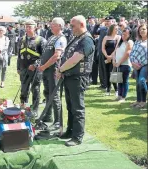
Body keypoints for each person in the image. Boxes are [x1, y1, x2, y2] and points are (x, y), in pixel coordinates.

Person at [56, 15, 95, 146]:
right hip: (70, 76)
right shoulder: (77, 39)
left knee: (77, 108)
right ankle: (70, 131)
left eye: (73, 26)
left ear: (82, 24)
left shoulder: (87, 40)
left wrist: (60, 69)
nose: (70, 28)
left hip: (78, 78)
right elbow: (68, 56)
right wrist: (63, 70)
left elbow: (75, 59)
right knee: (70, 106)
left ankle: (77, 137)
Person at [38, 17, 67, 130]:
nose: (51, 26)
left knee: (54, 95)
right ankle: (48, 116)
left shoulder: (61, 38)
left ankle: (57, 121)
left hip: (53, 70)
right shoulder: (51, 37)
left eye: (53, 25)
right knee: (47, 93)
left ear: (59, 26)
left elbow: (56, 56)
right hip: (46, 70)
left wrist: (44, 66)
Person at [17, 19, 46, 117]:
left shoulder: (41, 40)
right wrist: (18, 67)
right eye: (26, 27)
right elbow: (19, 54)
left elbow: (44, 56)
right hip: (24, 68)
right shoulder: (22, 39)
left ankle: (34, 109)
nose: (28, 29)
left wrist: (35, 65)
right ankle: (23, 105)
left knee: (35, 89)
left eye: (30, 27)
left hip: (35, 70)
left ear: (35, 27)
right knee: (24, 87)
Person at [113, 27, 133, 102]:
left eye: (125, 34)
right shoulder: (120, 42)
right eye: (123, 34)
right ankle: (119, 95)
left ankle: (123, 97)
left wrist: (119, 62)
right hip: (118, 64)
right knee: (119, 80)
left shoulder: (130, 42)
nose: (123, 36)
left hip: (125, 64)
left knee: (124, 81)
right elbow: (115, 51)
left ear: (129, 35)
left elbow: (127, 54)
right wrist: (114, 61)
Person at [130, 24, 147, 109]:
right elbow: (132, 52)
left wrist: (140, 65)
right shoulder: (137, 41)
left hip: (145, 65)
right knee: (137, 83)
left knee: (141, 81)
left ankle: (143, 101)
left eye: (144, 29)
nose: (142, 31)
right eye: (140, 30)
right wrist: (133, 62)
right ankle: (138, 100)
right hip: (135, 65)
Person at [101, 24, 121, 96]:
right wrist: (106, 55)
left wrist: (111, 56)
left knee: (113, 73)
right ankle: (108, 89)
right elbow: (103, 48)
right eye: (116, 29)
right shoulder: (106, 37)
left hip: (114, 57)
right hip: (106, 57)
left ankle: (116, 89)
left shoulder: (118, 37)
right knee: (106, 73)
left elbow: (116, 48)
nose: (117, 30)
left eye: (117, 29)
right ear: (112, 29)